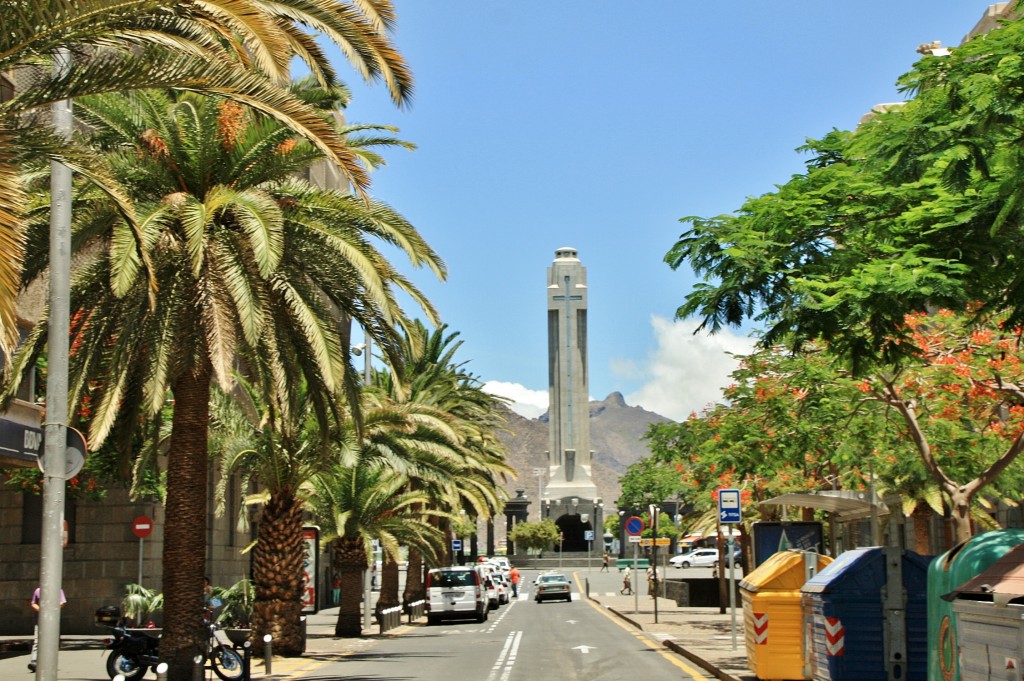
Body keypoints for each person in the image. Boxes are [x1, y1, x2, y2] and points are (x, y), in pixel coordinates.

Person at [29, 586, 67, 672]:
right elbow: (33, 603)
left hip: (53, 622)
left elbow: (62, 603)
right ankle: (34, 661)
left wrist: (51, 609)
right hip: (40, 621)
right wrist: (41, 610)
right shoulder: (38, 590)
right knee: (37, 641)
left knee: (52, 642)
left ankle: (49, 662)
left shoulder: (58, 590)